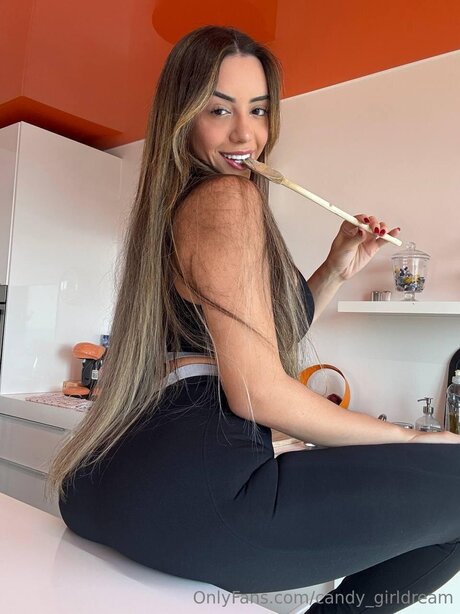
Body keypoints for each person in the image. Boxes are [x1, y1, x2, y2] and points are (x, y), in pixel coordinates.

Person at [47, 25, 460, 613]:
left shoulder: (175, 209)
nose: (246, 134)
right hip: (201, 499)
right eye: (219, 109)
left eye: (259, 110)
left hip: (104, 486)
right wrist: (414, 439)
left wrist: (335, 268)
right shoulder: (226, 198)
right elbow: (256, 391)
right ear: (182, 118)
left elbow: (255, 339)